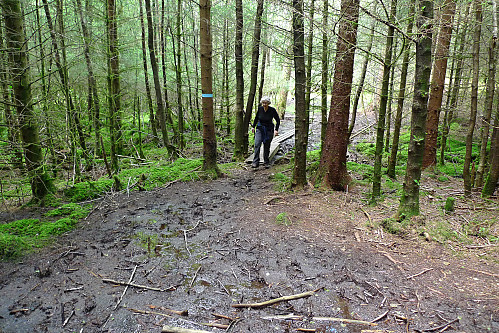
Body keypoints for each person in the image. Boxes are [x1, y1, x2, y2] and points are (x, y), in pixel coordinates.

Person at [251, 97, 280, 169]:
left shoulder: (272, 110)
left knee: (267, 146)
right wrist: (253, 127)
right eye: (263, 103)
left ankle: (266, 162)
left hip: (269, 129)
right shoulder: (260, 109)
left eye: (266, 103)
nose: (264, 104)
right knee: (257, 144)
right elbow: (256, 118)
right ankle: (255, 162)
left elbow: (278, 120)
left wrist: (276, 130)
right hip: (260, 128)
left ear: (268, 103)